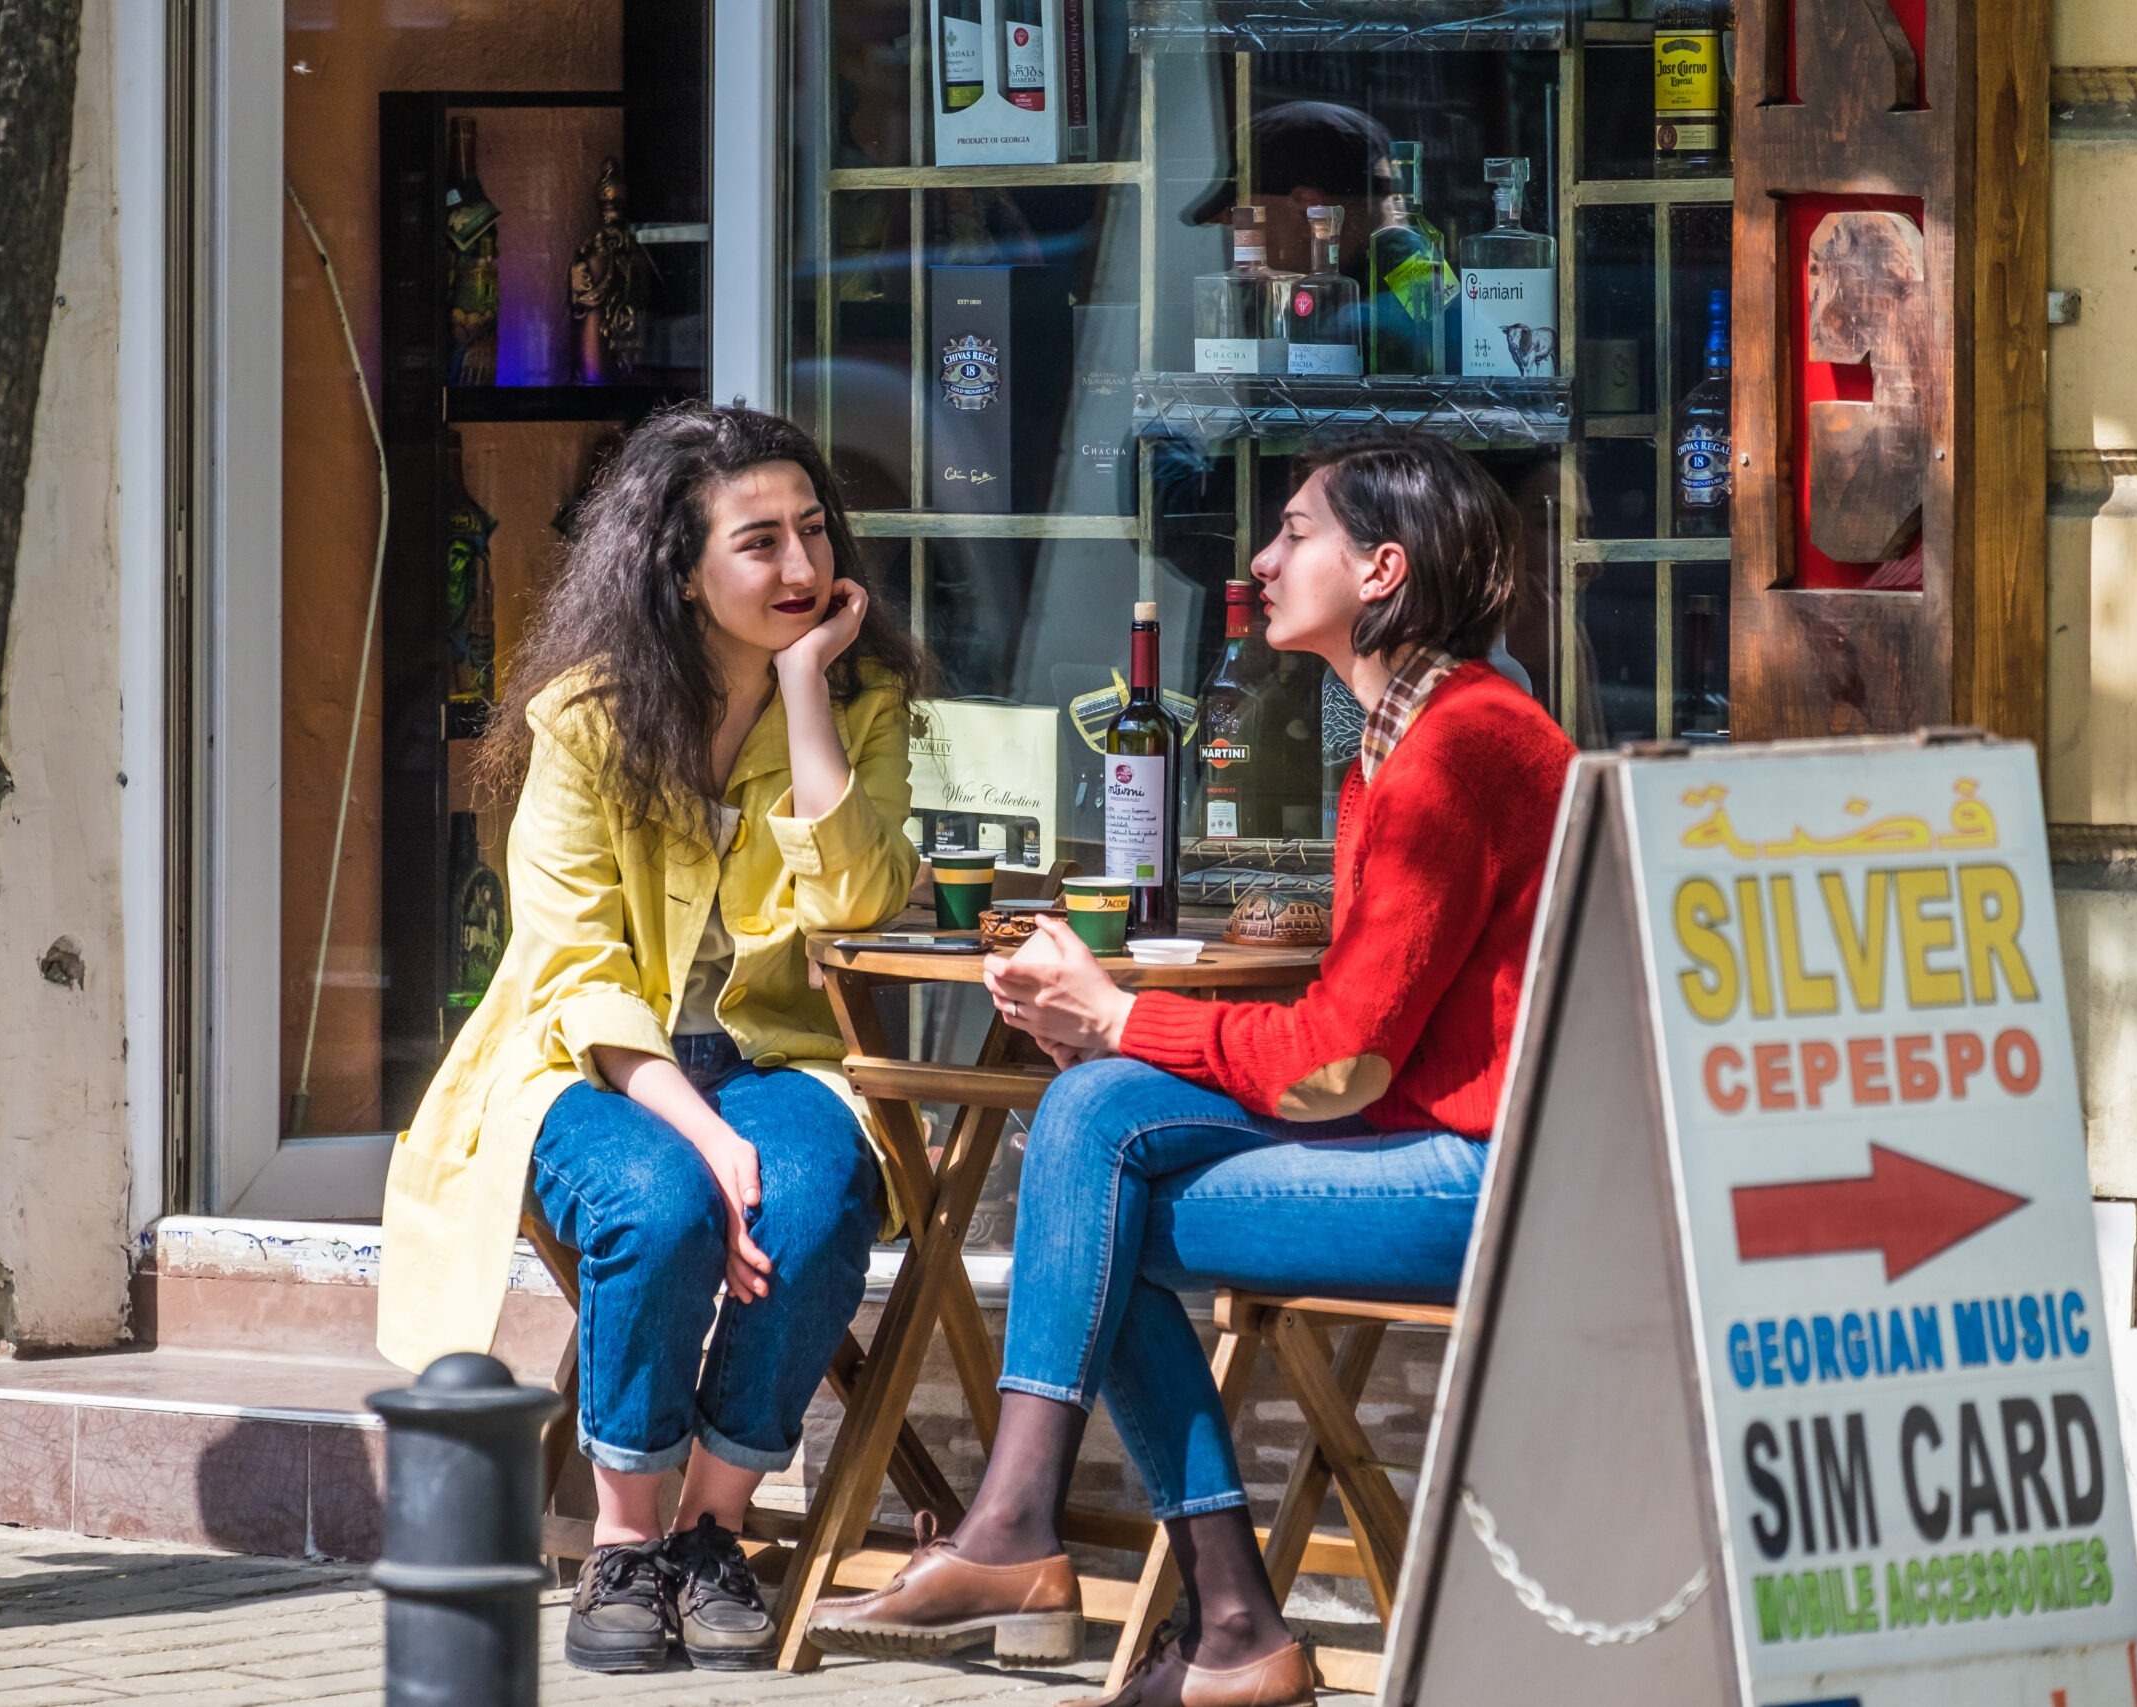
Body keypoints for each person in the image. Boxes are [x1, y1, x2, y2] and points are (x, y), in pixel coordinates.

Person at [808, 438, 1574, 1707]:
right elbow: (1355, 1049)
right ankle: (1201, 1617)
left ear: (1381, 568)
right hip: (1437, 1143)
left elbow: (1338, 1064)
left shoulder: (1457, 746)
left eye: (1293, 534)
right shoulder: (1407, 731)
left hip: (1489, 1181)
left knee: (1090, 1194)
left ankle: (1105, 1568)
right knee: (1092, 1135)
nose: (1262, 562)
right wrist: (1113, 1033)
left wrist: (1120, 1014)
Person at [374, 404, 932, 1676]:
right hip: (585, 1063)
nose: (799, 569)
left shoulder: (864, 700)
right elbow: (575, 970)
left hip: (778, 1054)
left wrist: (805, 696)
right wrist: (696, 1130)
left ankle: (709, 1534)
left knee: (819, 1191)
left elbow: (855, 898)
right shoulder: (585, 717)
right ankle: (623, 1544)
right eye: (758, 543)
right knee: (665, 1205)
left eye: (812, 533)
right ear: (680, 567)